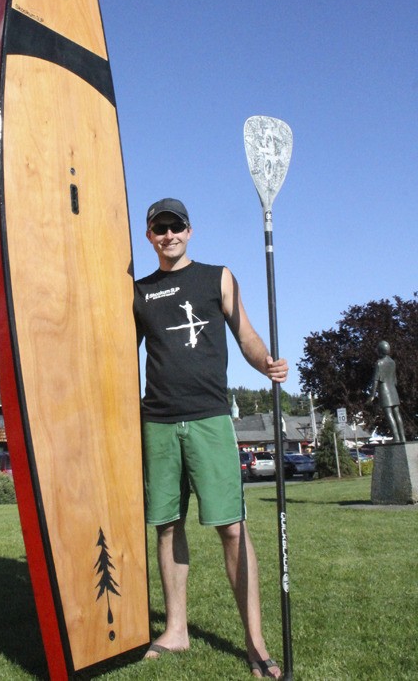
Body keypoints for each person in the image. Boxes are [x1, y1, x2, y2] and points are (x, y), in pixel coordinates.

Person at [134, 198, 288, 679]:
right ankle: (176, 630)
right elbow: (119, 353)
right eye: (159, 228)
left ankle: (256, 643)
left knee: (232, 528)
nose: (168, 235)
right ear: (149, 236)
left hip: (209, 419)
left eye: (175, 226)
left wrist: (266, 363)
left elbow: (245, 335)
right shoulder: (138, 293)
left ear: (189, 230)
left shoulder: (217, 276)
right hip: (157, 421)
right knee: (166, 524)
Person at [367, 341, 406, 443]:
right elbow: (395, 380)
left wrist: (372, 395)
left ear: (380, 350)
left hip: (384, 390)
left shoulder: (379, 363)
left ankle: (396, 437)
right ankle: (403, 437)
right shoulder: (392, 362)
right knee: (397, 414)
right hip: (393, 389)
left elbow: (375, 380)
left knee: (389, 414)